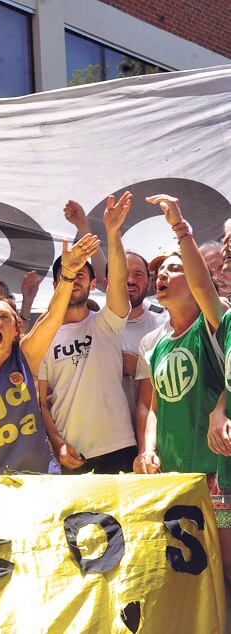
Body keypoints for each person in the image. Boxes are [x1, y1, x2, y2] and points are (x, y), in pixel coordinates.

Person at [0, 233, 99, 475]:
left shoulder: (26, 357)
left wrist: (68, 274)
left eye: (5, 317)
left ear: (17, 328)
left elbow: (52, 317)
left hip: (36, 478)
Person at [138, 195, 231, 580]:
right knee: (197, 575)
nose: (162, 275)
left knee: (223, 570)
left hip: (213, 471)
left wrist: (220, 407)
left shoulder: (212, 323)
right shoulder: (158, 343)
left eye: (175, 270)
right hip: (181, 477)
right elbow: (155, 406)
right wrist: (148, 449)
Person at [37, 192, 137, 474]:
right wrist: (57, 444)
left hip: (119, 446)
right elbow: (40, 402)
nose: (77, 275)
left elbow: (118, 278)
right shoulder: (42, 337)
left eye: (84, 272)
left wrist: (113, 232)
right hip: (72, 454)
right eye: (70, 271)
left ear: (94, 285)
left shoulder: (108, 321)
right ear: (58, 284)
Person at [119, 252, 168, 417]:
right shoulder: (95, 324)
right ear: (107, 281)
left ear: (149, 282)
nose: (130, 280)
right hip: (111, 437)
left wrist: (140, 368)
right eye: (123, 274)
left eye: (138, 274)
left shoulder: (166, 322)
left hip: (158, 428)